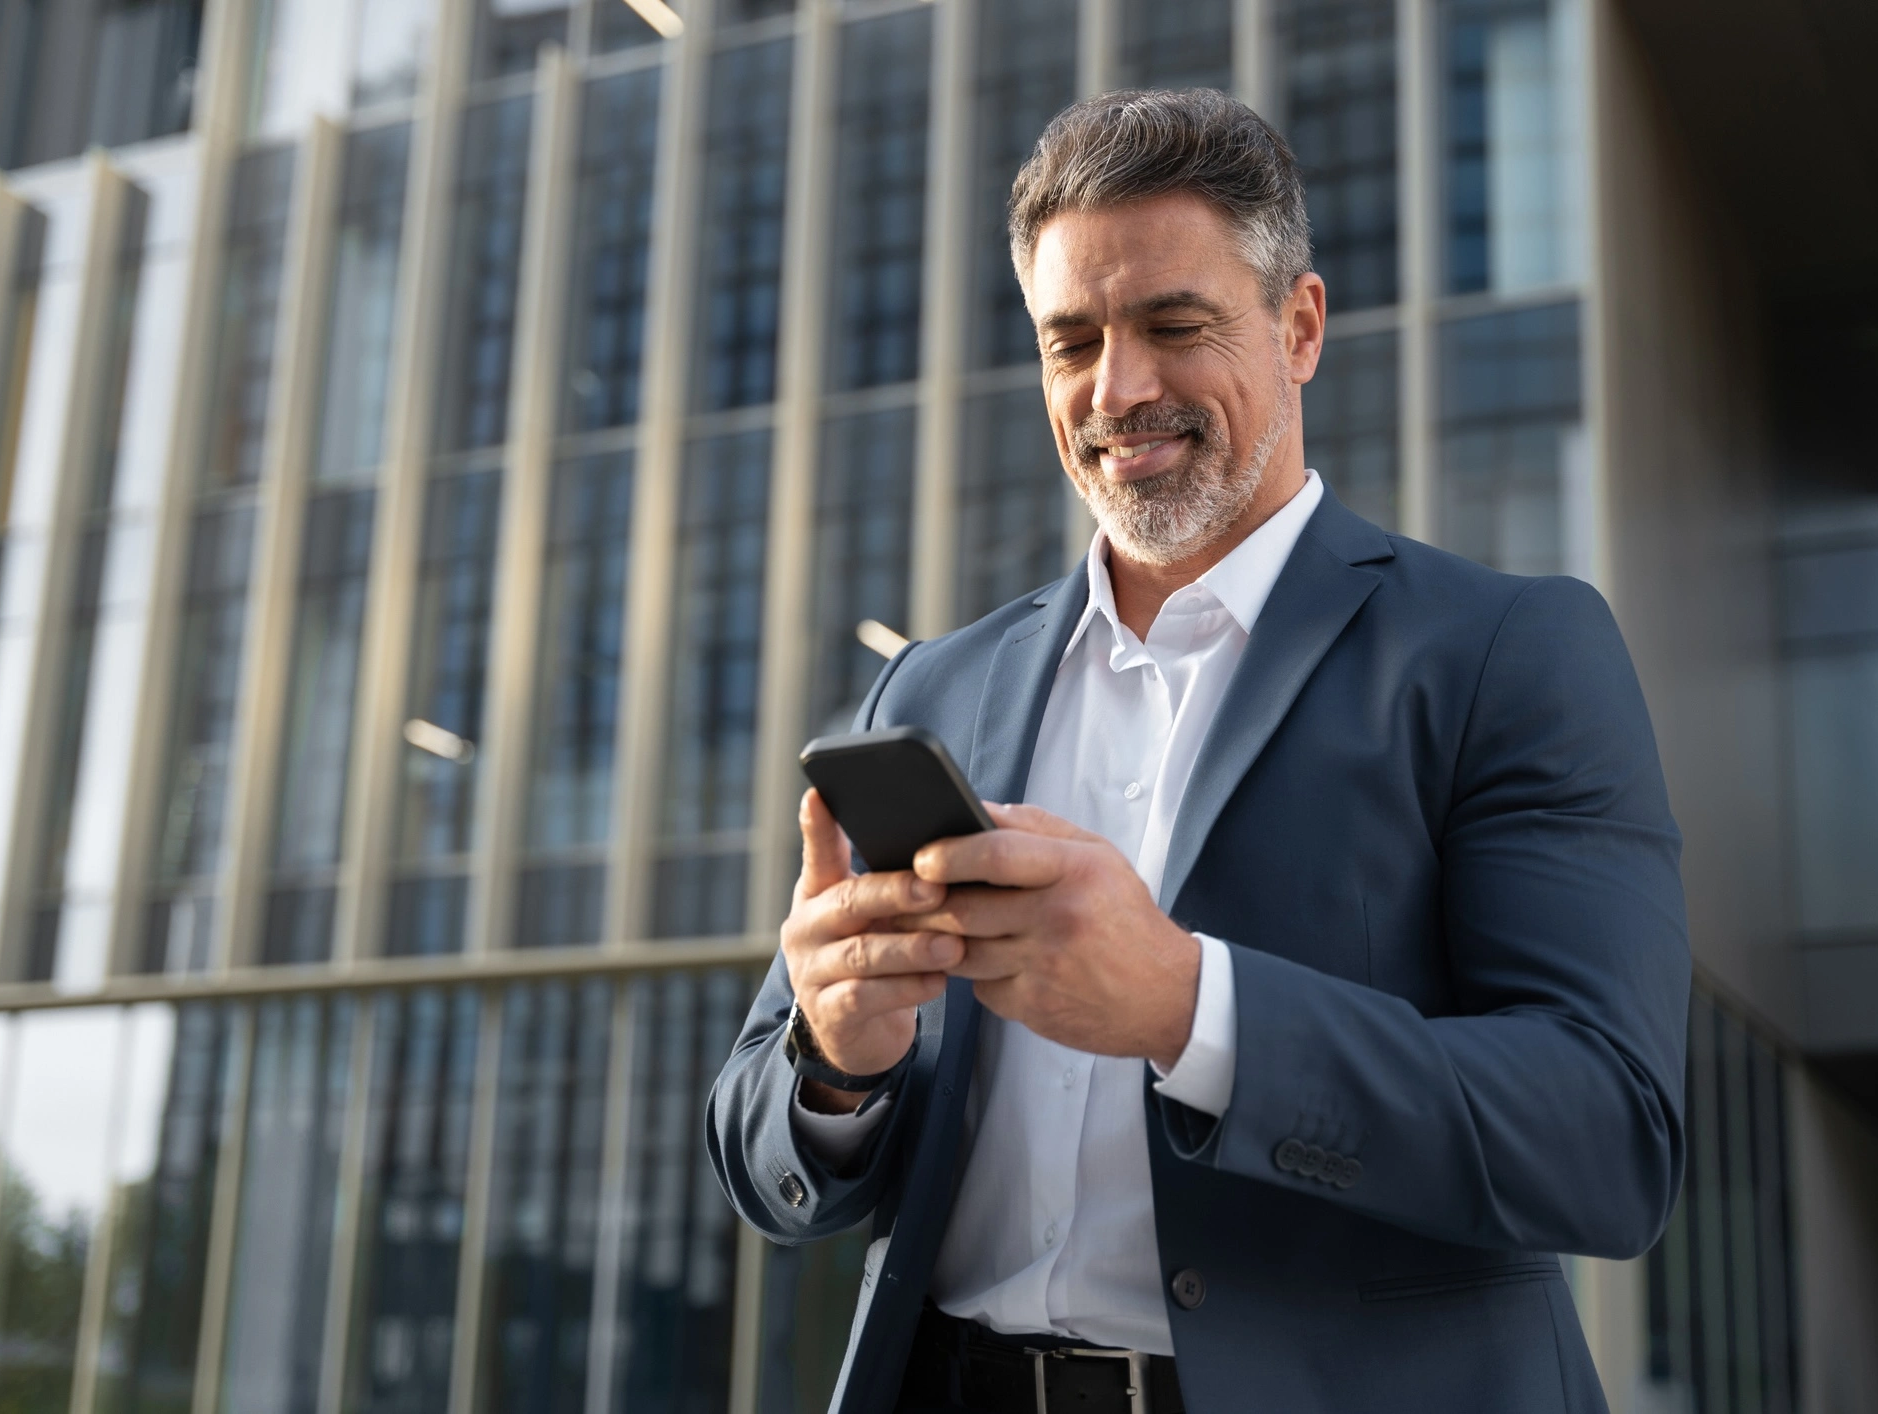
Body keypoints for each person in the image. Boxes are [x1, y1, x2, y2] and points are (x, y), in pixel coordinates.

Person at [706, 87, 1690, 1414]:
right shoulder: (928, 688)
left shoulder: (1505, 654)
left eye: (1174, 326)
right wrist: (837, 1060)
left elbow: (1608, 1140)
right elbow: (765, 1162)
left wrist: (1190, 1006)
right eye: (1072, 342)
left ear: (1301, 328)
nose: (1118, 390)